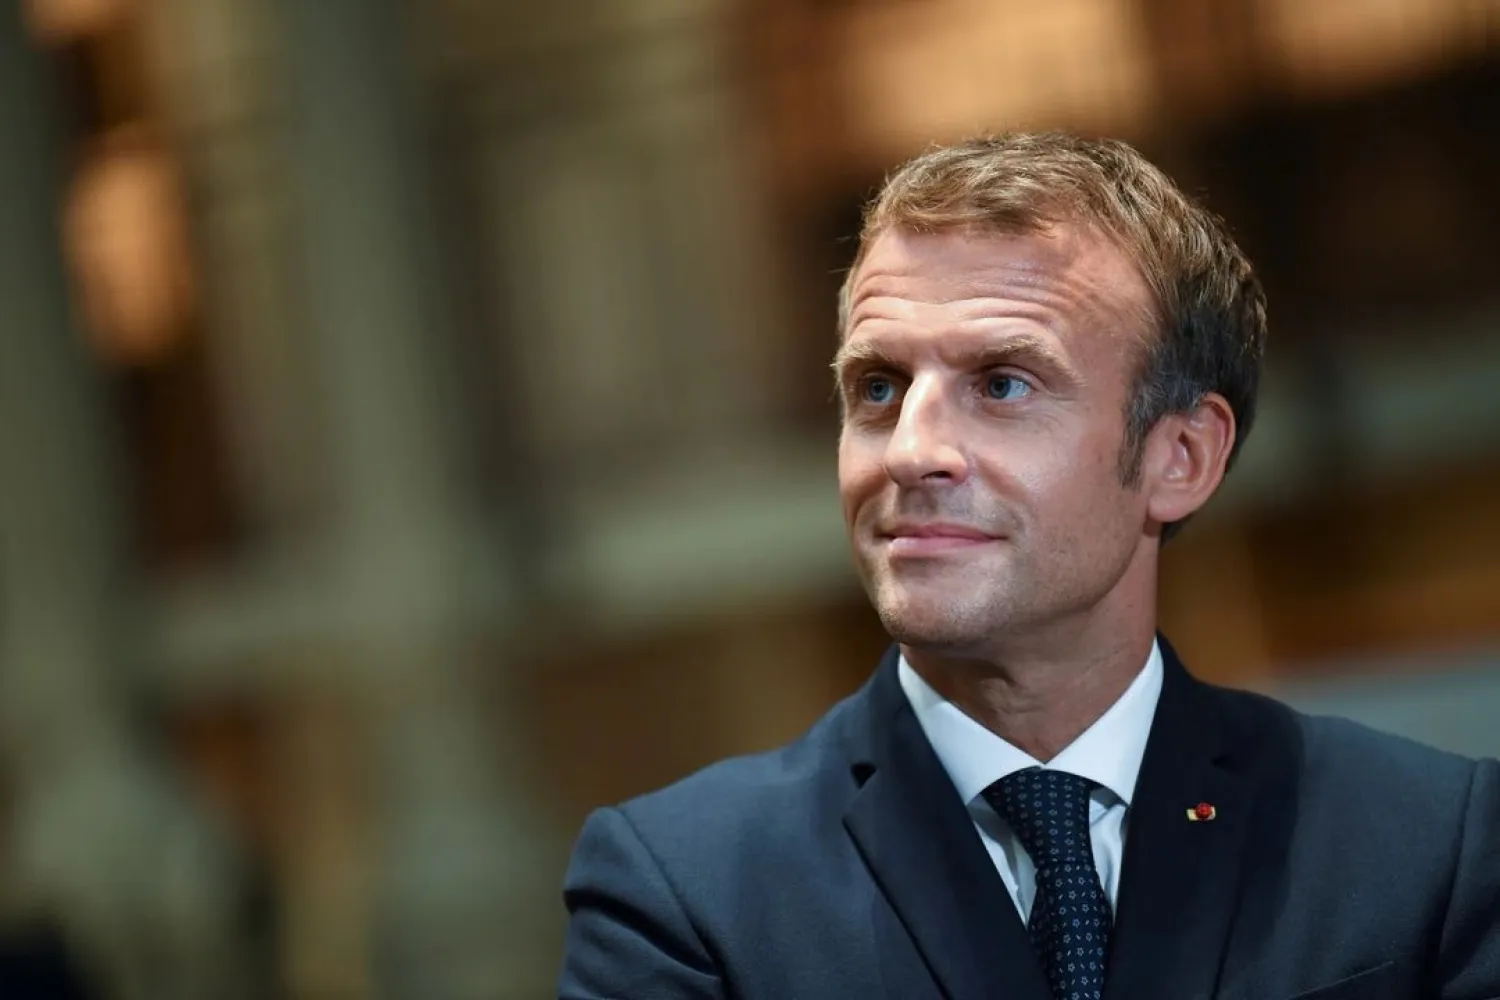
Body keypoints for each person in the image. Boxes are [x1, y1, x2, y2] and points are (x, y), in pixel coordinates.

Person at [555, 132, 1500, 1000]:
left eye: (1003, 384)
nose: (910, 451)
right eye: (878, 387)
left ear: (1181, 458)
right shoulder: (682, 896)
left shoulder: (1427, 845)